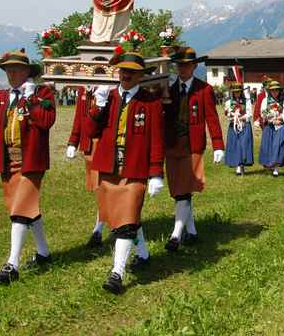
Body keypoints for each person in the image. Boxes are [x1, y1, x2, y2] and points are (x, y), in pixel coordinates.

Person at [0, 49, 56, 285]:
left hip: (31, 162)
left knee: (20, 212)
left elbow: (46, 122)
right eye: (8, 70)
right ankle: (43, 253)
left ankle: (12, 264)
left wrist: (31, 100)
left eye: (16, 70)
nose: (11, 74)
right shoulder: (1, 98)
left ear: (27, 72)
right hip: (8, 163)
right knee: (25, 210)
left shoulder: (43, 93)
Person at [86, 51, 165, 294]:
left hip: (135, 167)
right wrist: (96, 109)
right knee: (123, 217)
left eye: (131, 71)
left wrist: (155, 173)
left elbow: (156, 140)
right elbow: (91, 131)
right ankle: (143, 254)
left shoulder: (150, 102)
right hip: (109, 166)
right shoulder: (107, 98)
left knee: (126, 220)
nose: (126, 75)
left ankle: (117, 272)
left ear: (140, 75)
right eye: (123, 70)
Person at [163, 47, 224, 252]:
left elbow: (212, 118)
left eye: (186, 65)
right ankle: (192, 231)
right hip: (172, 146)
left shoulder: (204, 90)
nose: (182, 69)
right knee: (178, 190)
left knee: (185, 189)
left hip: (193, 146)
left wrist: (218, 145)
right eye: (179, 65)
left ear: (194, 66)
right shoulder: (170, 91)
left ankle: (175, 235)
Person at [66, 86, 106, 247]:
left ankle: (98, 229)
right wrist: (73, 142)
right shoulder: (84, 89)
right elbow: (79, 117)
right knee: (99, 189)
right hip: (88, 146)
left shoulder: (109, 87)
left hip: (103, 144)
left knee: (104, 188)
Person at [256, 80, 284, 177]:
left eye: (276, 90)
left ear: (279, 91)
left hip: (280, 126)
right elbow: (263, 113)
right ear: (270, 91)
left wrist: (280, 118)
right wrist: (270, 118)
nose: (275, 92)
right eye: (272, 90)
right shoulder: (265, 101)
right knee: (269, 146)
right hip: (269, 126)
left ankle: (276, 168)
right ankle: (269, 163)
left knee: (277, 146)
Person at [223, 82, 254, 175]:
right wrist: (232, 116)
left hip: (245, 125)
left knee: (244, 145)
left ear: (241, 92)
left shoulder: (247, 101)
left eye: (238, 92)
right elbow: (227, 115)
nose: (237, 93)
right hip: (234, 127)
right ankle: (237, 166)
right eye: (235, 92)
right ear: (232, 92)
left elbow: (249, 114)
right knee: (236, 145)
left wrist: (241, 118)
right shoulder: (229, 102)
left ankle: (242, 165)